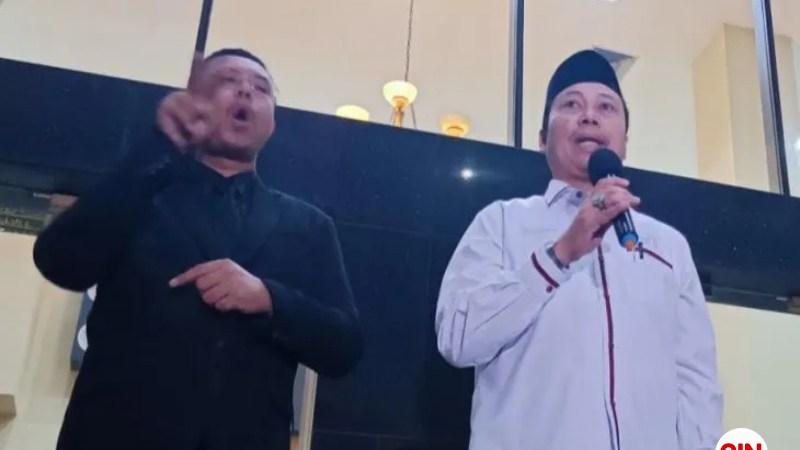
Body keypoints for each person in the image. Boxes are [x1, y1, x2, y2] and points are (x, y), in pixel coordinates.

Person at [33, 48, 363, 450]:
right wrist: (158, 146)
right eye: (227, 80)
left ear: (273, 121)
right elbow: (59, 260)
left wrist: (269, 298)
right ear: (194, 101)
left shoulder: (309, 225)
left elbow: (344, 347)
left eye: (261, 88)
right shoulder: (141, 192)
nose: (246, 91)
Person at [435, 49, 723, 450]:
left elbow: (697, 384)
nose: (589, 116)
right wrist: (559, 254)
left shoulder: (667, 247)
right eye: (571, 104)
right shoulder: (500, 224)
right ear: (542, 139)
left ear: (625, 141)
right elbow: (458, 338)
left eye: (606, 107)